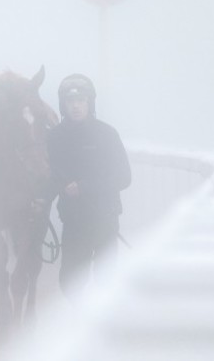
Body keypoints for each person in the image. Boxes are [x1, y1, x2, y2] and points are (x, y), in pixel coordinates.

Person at [39, 74, 131, 294]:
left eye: (81, 100)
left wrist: (85, 187)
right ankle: (84, 320)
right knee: (70, 284)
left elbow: (124, 177)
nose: (76, 106)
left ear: (90, 102)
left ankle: (99, 326)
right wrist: (41, 200)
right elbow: (51, 178)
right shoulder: (54, 138)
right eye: (71, 102)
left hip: (105, 222)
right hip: (74, 224)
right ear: (63, 105)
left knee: (106, 284)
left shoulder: (107, 134)